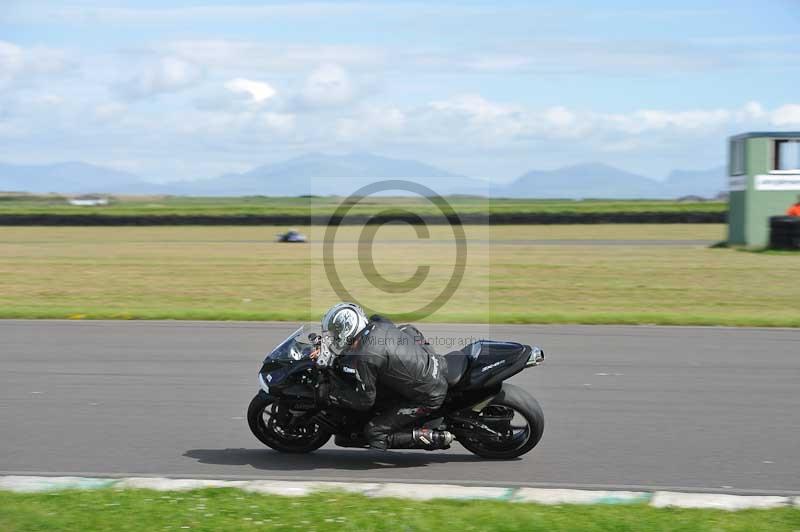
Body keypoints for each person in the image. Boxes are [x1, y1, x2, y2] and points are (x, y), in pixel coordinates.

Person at [318, 302, 452, 450]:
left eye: (336, 333)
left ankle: (435, 438)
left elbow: (365, 401)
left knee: (374, 432)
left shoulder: (366, 357)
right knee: (406, 330)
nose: (334, 337)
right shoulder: (377, 322)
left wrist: (332, 395)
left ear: (347, 330)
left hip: (430, 394)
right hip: (433, 362)